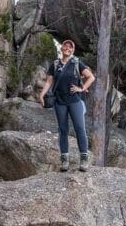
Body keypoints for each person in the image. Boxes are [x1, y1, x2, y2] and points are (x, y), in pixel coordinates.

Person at [38, 39, 95, 172]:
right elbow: (49, 82)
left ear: (73, 50)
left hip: (75, 101)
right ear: (62, 48)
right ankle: (64, 161)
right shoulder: (55, 64)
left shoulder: (76, 63)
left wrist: (81, 89)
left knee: (80, 128)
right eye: (65, 46)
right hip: (60, 102)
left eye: (70, 47)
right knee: (63, 130)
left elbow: (91, 77)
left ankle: (84, 159)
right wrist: (42, 95)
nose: (67, 48)